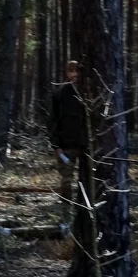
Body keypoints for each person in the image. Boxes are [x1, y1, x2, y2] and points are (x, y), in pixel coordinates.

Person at [50, 61, 87, 217]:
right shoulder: (60, 94)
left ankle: (85, 212)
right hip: (66, 146)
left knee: (88, 180)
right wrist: (56, 146)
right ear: (66, 73)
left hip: (85, 146)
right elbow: (52, 122)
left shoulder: (88, 93)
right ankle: (66, 213)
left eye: (76, 71)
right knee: (66, 180)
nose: (74, 74)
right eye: (71, 71)